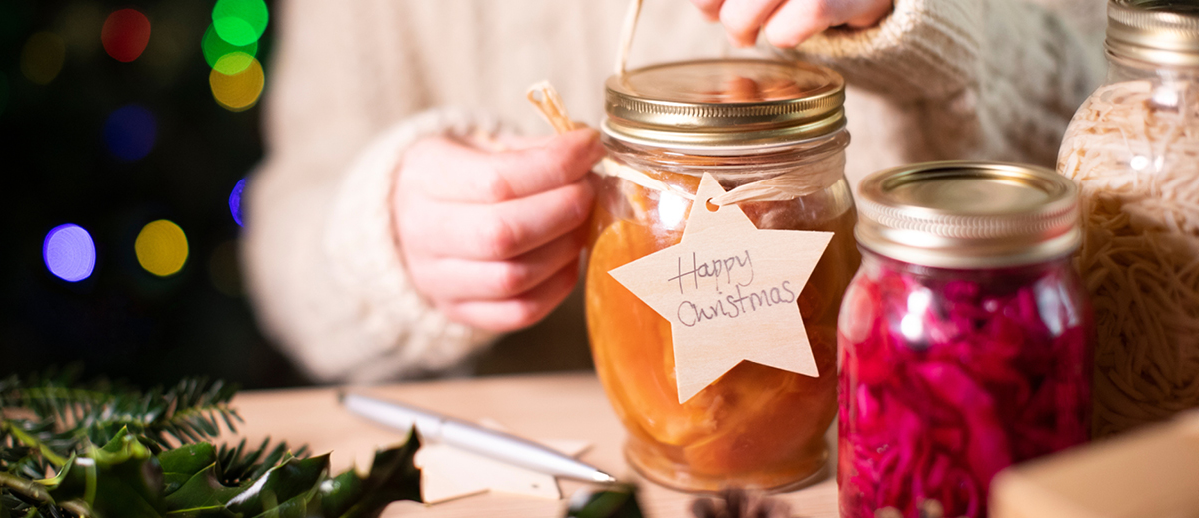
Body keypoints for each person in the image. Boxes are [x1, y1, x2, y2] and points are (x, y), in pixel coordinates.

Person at [242, 0, 1108, 383]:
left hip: (895, 461)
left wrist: (928, 24)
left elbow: (1122, 128)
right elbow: (288, 225)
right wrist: (382, 235)